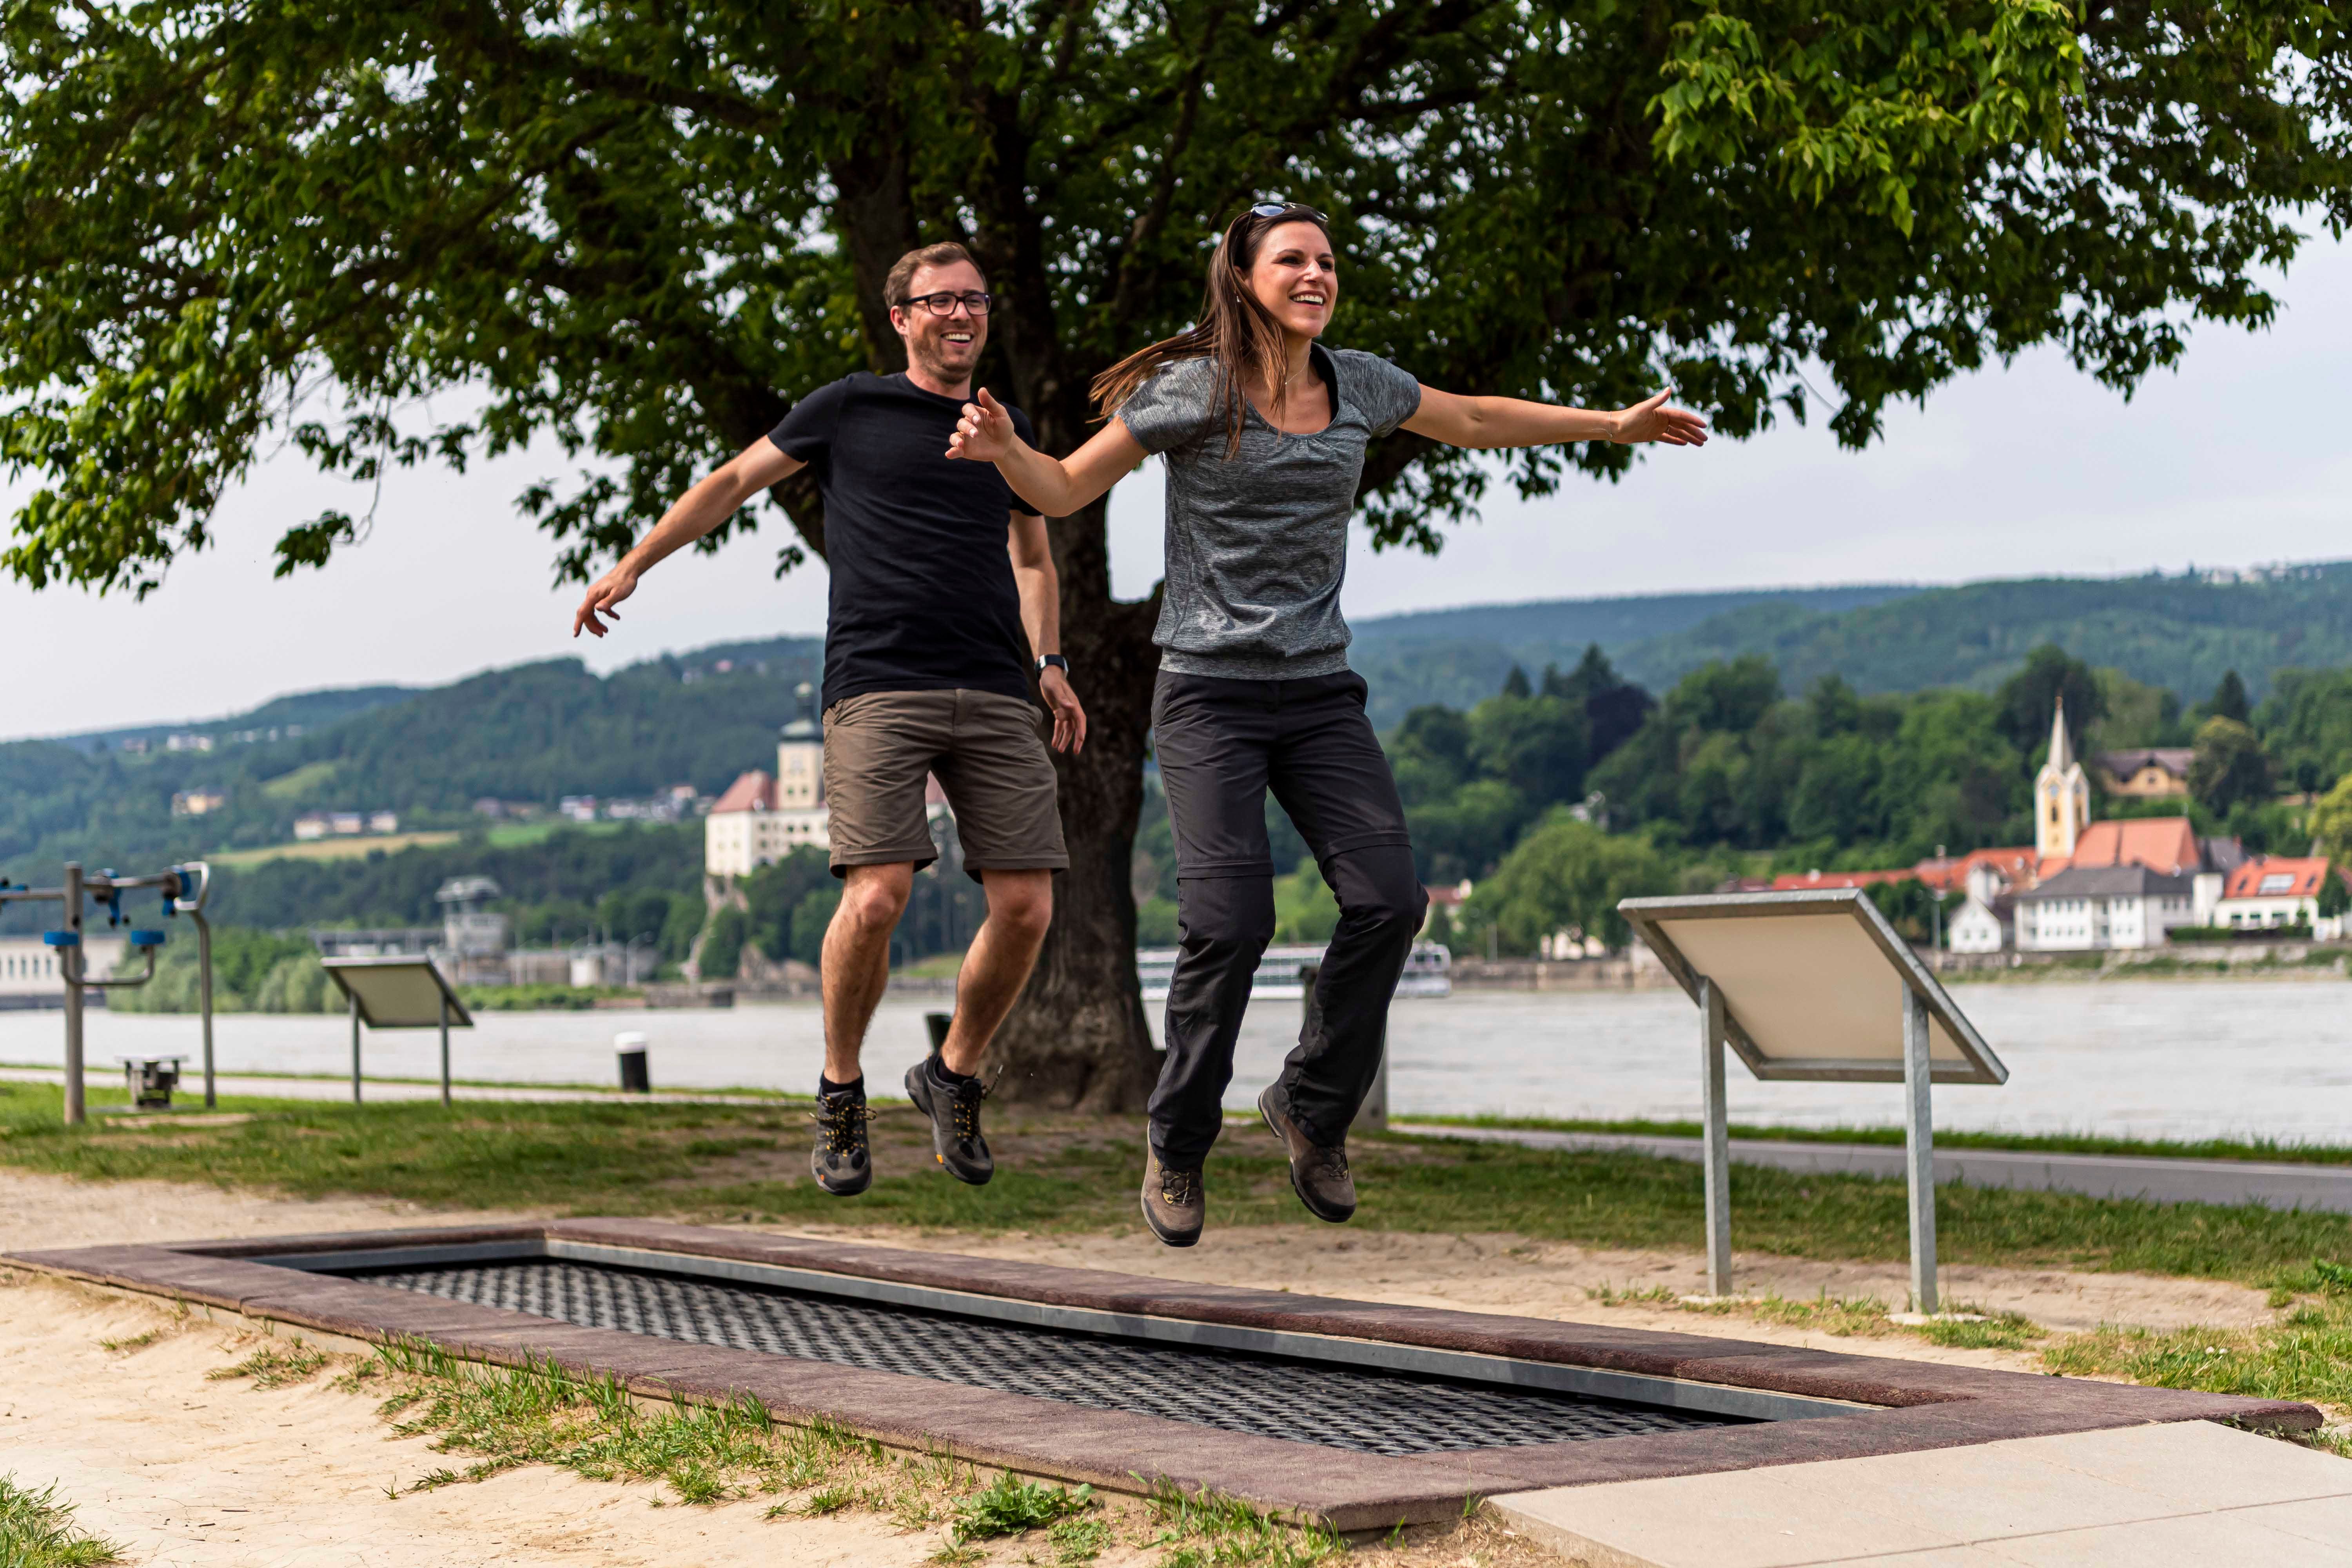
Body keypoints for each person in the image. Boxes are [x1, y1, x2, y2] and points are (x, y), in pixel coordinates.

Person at [947, 201, 1705, 1246]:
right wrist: (1001, 451)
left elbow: (1475, 419)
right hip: (1208, 691)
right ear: (1245, 276)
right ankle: (1177, 1140)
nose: (1317, 274)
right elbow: (1066, 488)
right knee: (1230, 924)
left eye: (1328, 261)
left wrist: (1610, 426)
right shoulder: (1194, 390)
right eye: (1294, 259)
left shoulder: (1360, 384)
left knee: (1391, 901)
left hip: (1317, 692)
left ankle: (1311, 1105)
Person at [572, 241, 1087, 1199]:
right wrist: (635, 562)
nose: (963, 315)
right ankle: (842, 1088)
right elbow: (730, 482)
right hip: (879, 683)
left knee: (1028, 905)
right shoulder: (849, 407)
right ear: (902, 317)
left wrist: (1051, 664)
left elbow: (1033, 559)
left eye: (977, 299)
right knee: (879, 894)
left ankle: (954, 1073)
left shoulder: (1001, 431)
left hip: (997, 683)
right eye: (941, 301)